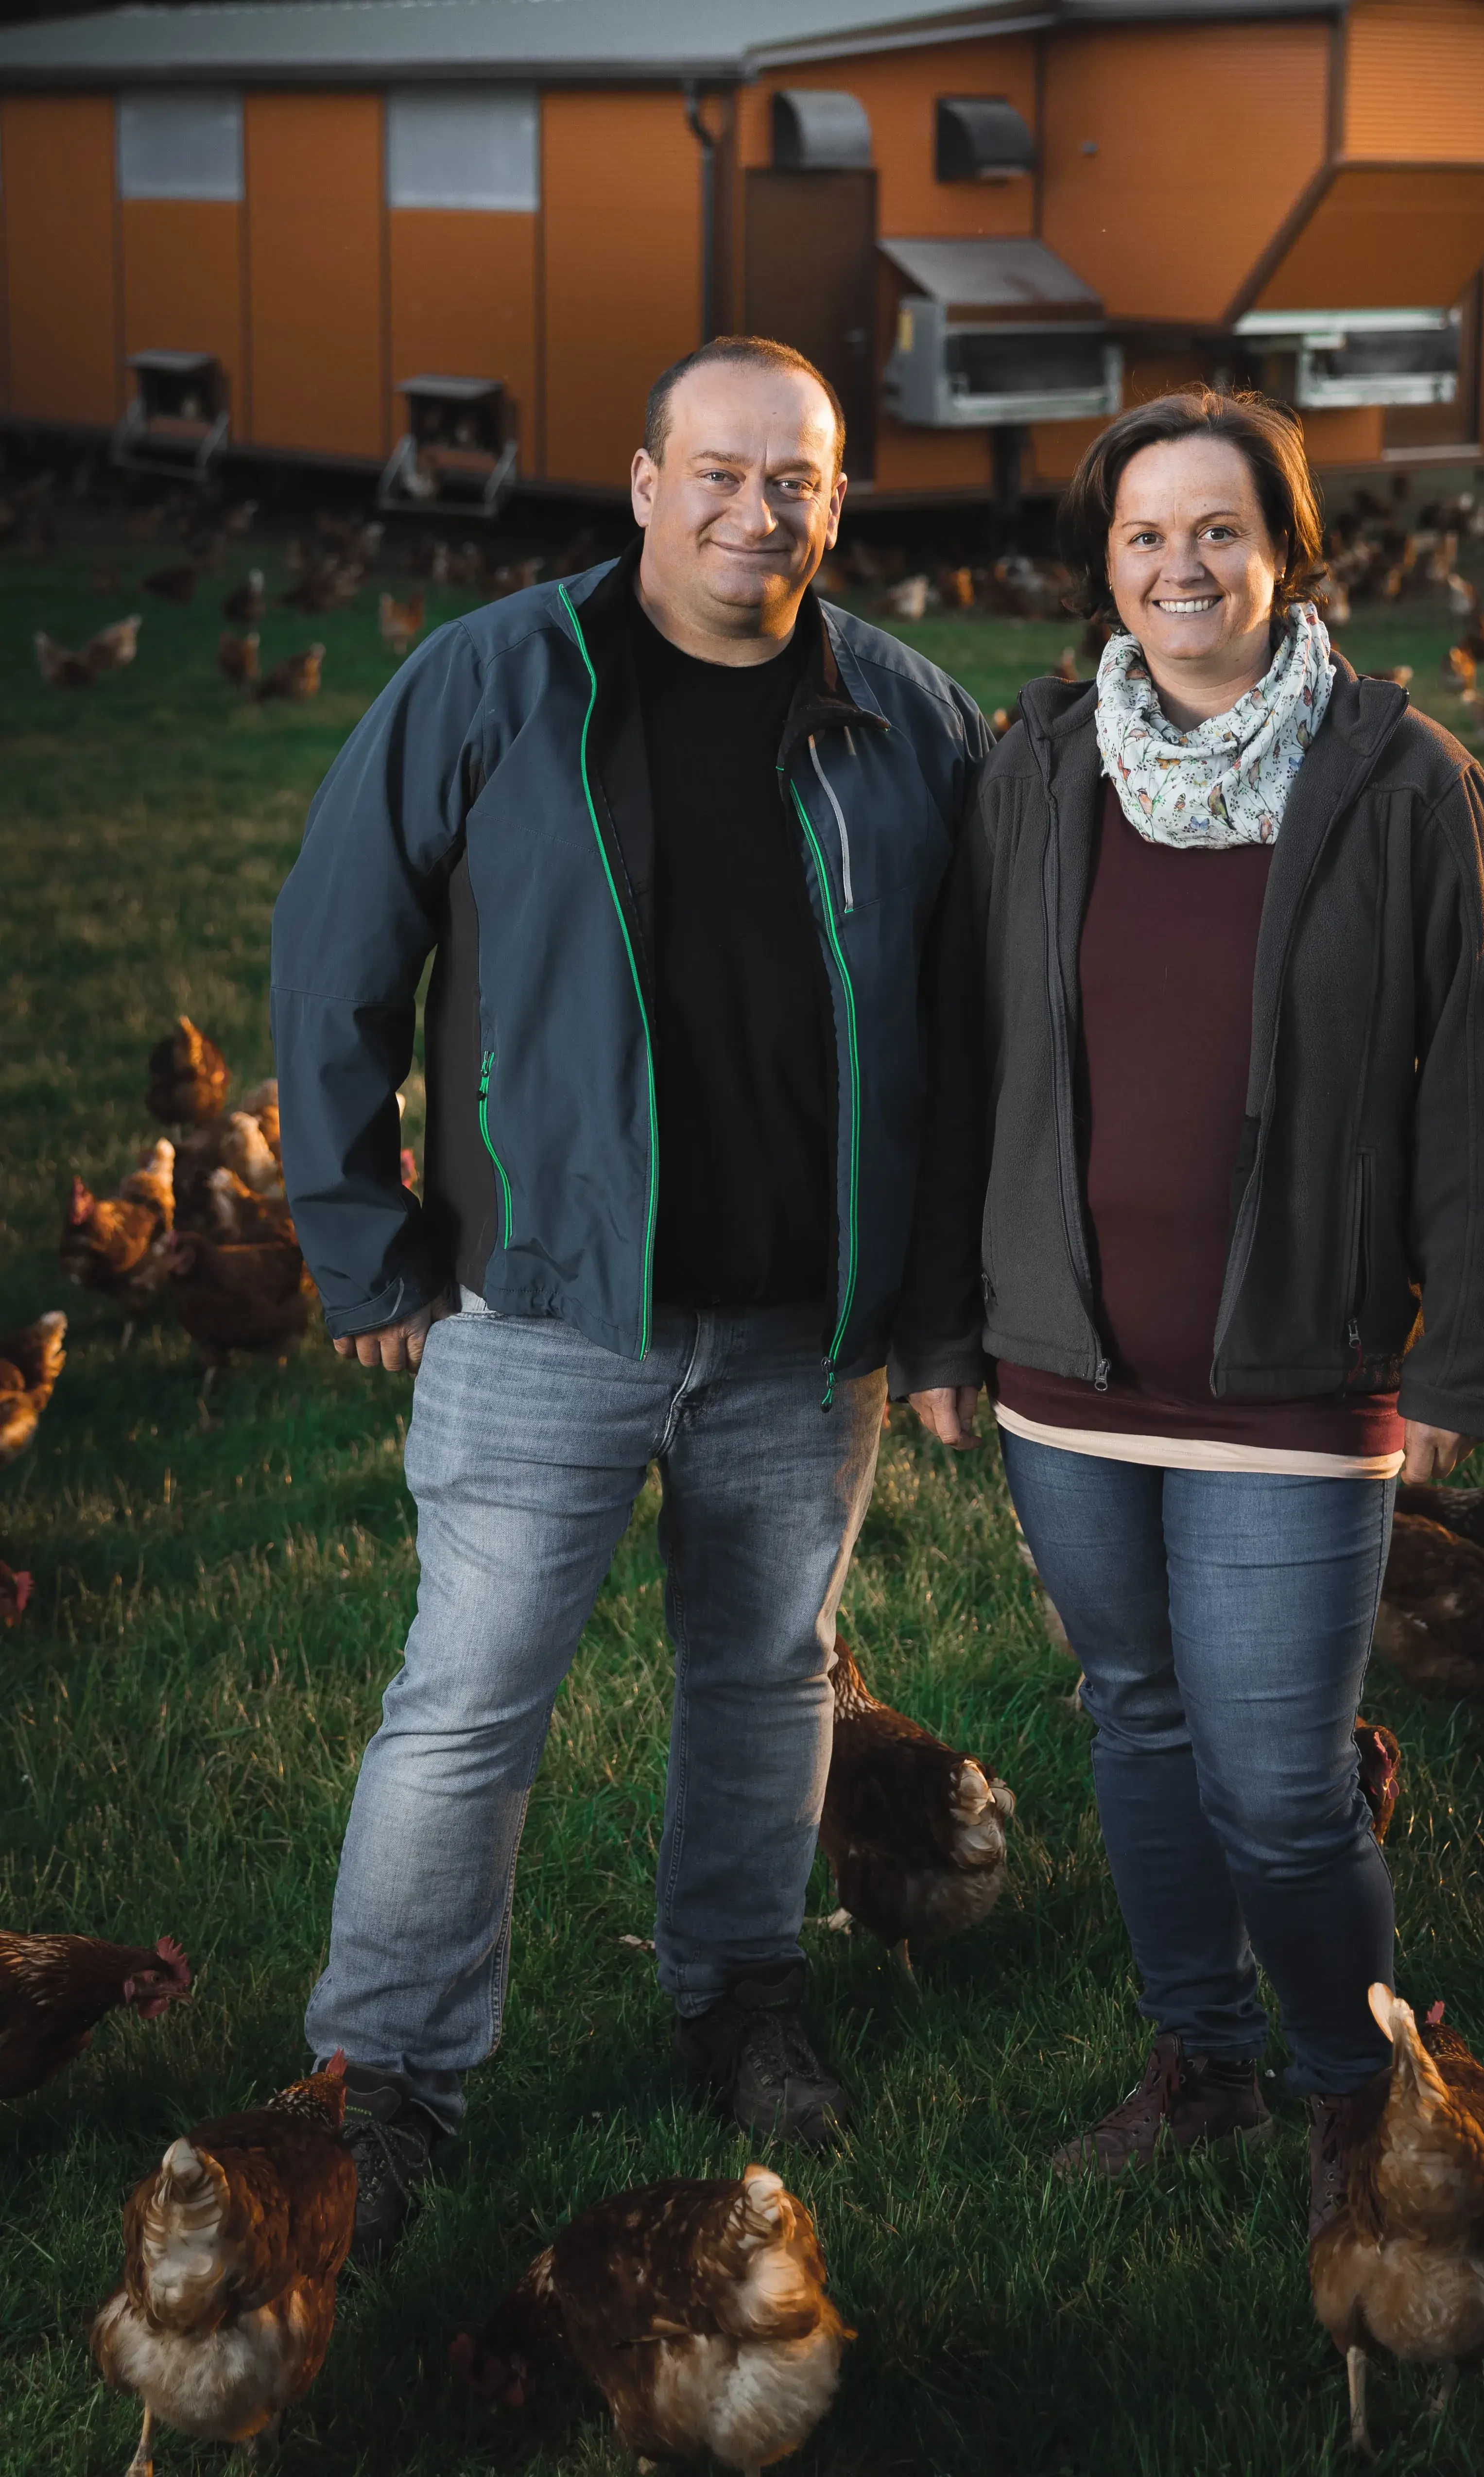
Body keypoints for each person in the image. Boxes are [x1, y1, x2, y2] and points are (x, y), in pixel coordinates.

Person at [271, 337, 991, 2258]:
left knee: (765, 1678)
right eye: (725, 470)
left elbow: (974, 1035)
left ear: (837, 501)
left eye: (801, 479)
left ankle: (739, 1993)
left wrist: (934, 1310)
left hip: (799, 1333)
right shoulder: (502, 679)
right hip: (543, 1311)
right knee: (464, 1705)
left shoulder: (909, 718)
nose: (762, 509)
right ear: (649, 477)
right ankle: (389, 2074)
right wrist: (358, 1238)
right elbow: (339, 940)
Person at [903, 387, 1484, 2232]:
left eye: (1218, 532)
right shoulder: (1032, 771)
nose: (1182, 566)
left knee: (1274, 1781)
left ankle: (1354, 2099)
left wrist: (1459, 1355)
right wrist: (946, 1324)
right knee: (1138, 1722)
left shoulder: (1404, 786)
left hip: (1297, 1368)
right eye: (1144, 536)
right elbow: (965, 1059)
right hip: (1067, 1364)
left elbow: (1473, 1086)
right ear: (1105, 567)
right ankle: (1198, 2067)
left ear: (1285, 552)